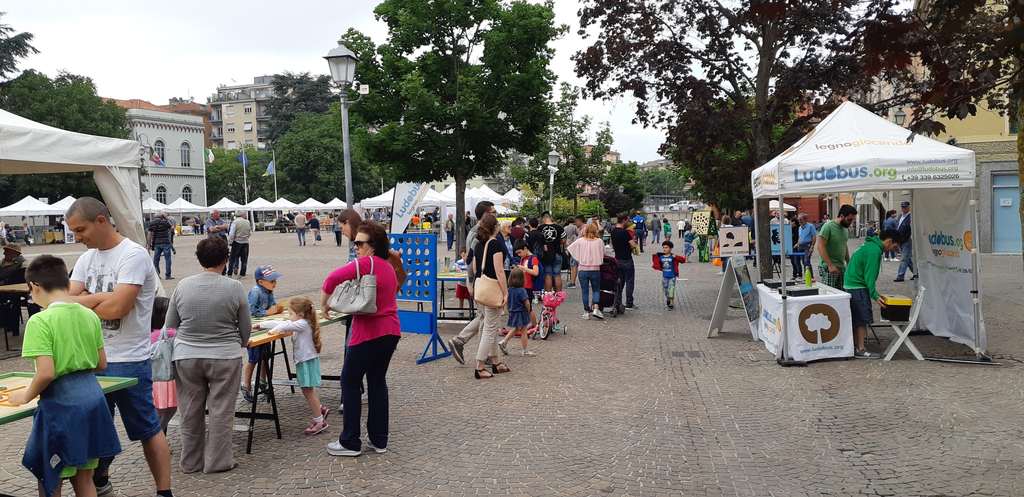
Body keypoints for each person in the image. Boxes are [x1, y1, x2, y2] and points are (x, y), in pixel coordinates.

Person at [64, 197, 172, 497]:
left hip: (129, 360)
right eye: (73, 232)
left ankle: (164, 491)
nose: (77, 237)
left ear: (101, 220)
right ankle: (100, 480)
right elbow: (65, 304)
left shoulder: (133, 254)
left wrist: (85, 300)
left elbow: (119, 308)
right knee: (94, 429)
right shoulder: (86, 259)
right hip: (92, 360)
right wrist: (100, 300)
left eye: (80, 230)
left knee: (147, 430)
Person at [12, 255, 121, 497]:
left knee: (51, 478)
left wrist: (26, 395)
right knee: (84, 478)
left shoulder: (40, 321)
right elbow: (101, 363)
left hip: (62, 407)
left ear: (35, 287)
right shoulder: (89, 315)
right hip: (93, 401)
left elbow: (46, 373)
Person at [164, 237, 250, 474]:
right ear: (226, 259)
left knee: (190, 410)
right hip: (225, 355)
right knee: (221, 410)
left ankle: (190, 462)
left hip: (187, 355)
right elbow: (245, 327)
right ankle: (218, 461)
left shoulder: (182, 286)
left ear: (199, 259)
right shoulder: (234, 287)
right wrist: (241, 342)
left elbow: (170, 326)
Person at [321, 222, 402, 457]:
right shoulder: (387, 267)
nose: (355, 246)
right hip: (390, 332)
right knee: (377, 382)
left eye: (359, 243)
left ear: (372, 246)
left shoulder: (366, 263)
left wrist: (324, 303)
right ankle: (379, 439)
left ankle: (350, 441)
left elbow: (331, 279)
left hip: (368, 332)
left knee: (350, 381)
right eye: (354, 242)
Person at [254, 297, 330, 435]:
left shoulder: (302, 324)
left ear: (300, 314)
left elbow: (283, 326)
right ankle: (319, 410)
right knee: (308, 390)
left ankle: (320, 421)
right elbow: (282, 323)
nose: (289, 316)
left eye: (291, 313)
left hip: (305, 361)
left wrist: (272, 332)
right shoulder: (303, 322)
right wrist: (262, 325)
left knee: (308, 391)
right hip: (306, 360)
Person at [445, 201, 497, 365]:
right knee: (486, 319)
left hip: (480, 282)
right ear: (486, 214)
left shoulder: (479, 232)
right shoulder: (477, 235)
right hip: (482, 282)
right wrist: (471, 282)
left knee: (484, 317)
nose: (496, 215)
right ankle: (482, 355)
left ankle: (466, 344)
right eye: (493, 212)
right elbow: (472, 260)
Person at [844, 230, 900, 359]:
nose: (893, 249)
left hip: (851, 284)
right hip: (858, 286)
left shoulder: (870, 245)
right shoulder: (874, 251)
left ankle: (856, 346)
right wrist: (875, 295)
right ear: (889, 241)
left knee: (857, 317)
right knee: (862, 319)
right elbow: (869, 276)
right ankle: (861, 349)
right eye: (894, 246)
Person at [466, 213, 509, 379]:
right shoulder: (495, 244)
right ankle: (479, 366)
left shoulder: (478, 244)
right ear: (495, 227)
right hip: (493, 289)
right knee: (490, 330)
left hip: (481, 289)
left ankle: (496, 362)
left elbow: (477, 269)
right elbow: (499, 271)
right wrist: (505, 292)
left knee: (489, 326)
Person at [241, 266, 284, 403]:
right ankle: (246, 385)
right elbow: (251, 311)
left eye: (275, 280)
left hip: (265, 328)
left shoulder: (269, 291)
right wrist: (268, 312)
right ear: (260, 282)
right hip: (254, 330)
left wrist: (275, 310)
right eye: (271, 281)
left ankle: (263, 381)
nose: (274, 283)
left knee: (265, 357)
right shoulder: (256, 292)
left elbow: (273, 305)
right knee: (253, 359)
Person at [150, 297, 177, 434]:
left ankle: (157, 438)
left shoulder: (148, 334)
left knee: (158, 413)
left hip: (154, 380)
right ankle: (156, 439)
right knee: (166, 412)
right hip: (167, 380)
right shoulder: (170, 333)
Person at [566, 222, 605, 320]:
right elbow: (603, 252)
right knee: (596, 289)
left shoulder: (580, 241)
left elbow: (570, 248)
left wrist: (579, 257)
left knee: (585, 291)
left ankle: (586, 312)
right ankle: (596, 307)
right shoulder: (599, 241)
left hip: (583, 269)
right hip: (595, 269)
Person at [816, 204, 857, 290]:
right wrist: (830, 265)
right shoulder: (828, 226)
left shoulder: (845, 228)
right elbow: (820, 246)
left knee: (842, 294)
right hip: (829, 268)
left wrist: (848, 262)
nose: (851, 222)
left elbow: (844, 245)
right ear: (841, 216)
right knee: (830, 295)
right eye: (849, 219)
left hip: (841, 267)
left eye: (852, 220)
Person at [498, 267, 534, 357]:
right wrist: (529, 310)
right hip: (521, 312)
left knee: (517, 328)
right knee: (524, 331)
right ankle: (525, 350)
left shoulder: (509, 290)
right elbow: (526, 302)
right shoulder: (522, 290)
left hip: (513, 311)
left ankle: (504, 342)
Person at [610, 214, 638, 310]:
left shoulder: (613, 232)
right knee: (629, 281)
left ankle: (618, 301)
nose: (628, 222)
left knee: (619, 282)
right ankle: (629, 302)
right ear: (624, 220)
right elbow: (633, 245)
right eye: (628, 220)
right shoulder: (625, 233)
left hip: (617, 259)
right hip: (627, 259)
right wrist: (634, 242)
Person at [652, 241, 687, 309]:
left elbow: (683, 260)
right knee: (665, 289)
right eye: (663, 248)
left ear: (670, 249)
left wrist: (675, 256)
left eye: (666, 248)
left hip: (672, 277)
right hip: (665, 277)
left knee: (671, 290)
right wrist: (655, 256)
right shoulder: (661, 257)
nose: (664, 249)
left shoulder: (673, 257)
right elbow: (656, 263)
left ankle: (671, 302)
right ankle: (668, 298)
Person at [537, 212, 565, 292]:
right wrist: (557, 242)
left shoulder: (540, 228)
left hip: (546, 255)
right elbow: (563, 240)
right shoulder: (559, 227)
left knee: (548, 274)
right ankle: (559, 295)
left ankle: (548, 294)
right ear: (550, 218)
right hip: (557, 252)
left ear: (543, 219)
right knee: (557, 274)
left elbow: (538, 241)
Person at [148, 212, 175, 280]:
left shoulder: (152, 223)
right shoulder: (165, 222)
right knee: (167, 259)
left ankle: (157, 274)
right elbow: (172, 228)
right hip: (165, 243)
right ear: (162, 216)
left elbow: (149, 234)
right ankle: (168, 275)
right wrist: (166, 218)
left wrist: (149, 244)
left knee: (156, 260)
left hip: (157, 244)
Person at [895, 201, 916, 282]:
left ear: (908, 207)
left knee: (904, 258)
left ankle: (900, 276)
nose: (903, 208)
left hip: (907, 240)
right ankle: (916, 273)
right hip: (900, 240)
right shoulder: (900, 216)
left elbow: (909, 230)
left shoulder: (910, 216)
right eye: (902, 207)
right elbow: (898, 226)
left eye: (905, 207)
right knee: (908, 258)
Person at [227, 211, 252, 278]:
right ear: (243, 215)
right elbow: (249, 233)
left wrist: (230, 242)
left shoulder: (235, 222)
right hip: (245, 242)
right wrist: (246, 238)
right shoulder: (247, 222)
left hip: (237, 242)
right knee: (244, 259)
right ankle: (242, 274)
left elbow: (231, 234)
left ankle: (230, 273)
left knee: (232, 258)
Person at [796, 213, 817, 278]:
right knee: (803, 262)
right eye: (798, 219)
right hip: (801, 246)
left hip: (808, 245)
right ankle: (807, 276)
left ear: (805, 219)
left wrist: (812, 246)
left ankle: (810, 277)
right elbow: (800, 237)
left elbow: (814, 236)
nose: (799, 221)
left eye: (800, 219)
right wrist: (797, 243)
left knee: (806, 261)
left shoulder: (810, 226)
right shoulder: (799, 227)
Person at [563, 216, 580, 287]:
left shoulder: (565, 228)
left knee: (570, 261)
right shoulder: (575, 227)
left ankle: (570, 276)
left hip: (567, 244)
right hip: (574, 243)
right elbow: (577, 234)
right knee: (573, 260)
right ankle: (572, 278)